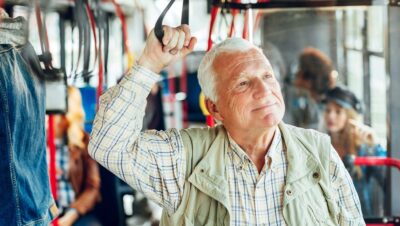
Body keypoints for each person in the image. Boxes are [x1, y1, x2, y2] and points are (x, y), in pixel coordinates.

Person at [89, 25, 365, 225]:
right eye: (243, 83)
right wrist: (149, 63)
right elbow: (109, 145)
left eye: (267, 76)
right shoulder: (186, 161)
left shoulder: (318, 153)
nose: (264, 90)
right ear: (214, 108)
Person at [323, 86, 386, 217]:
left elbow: (387, 180)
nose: (330, 116)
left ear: (349, 115)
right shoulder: (320, 144)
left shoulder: (362, 148)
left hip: (359, 218)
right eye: (328, 110)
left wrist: (375, 146)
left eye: (338, 111)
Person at [52, 87, 101, 226]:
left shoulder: (83, 142)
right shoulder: (34, 143)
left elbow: (92, 187)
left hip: (74, 211)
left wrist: (72, 215)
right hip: (44, 213)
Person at [290, 47, 338, 130]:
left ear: (309, 80)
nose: (295, 78)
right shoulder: (309, 100)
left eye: (299, 71)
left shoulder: (324, 109)